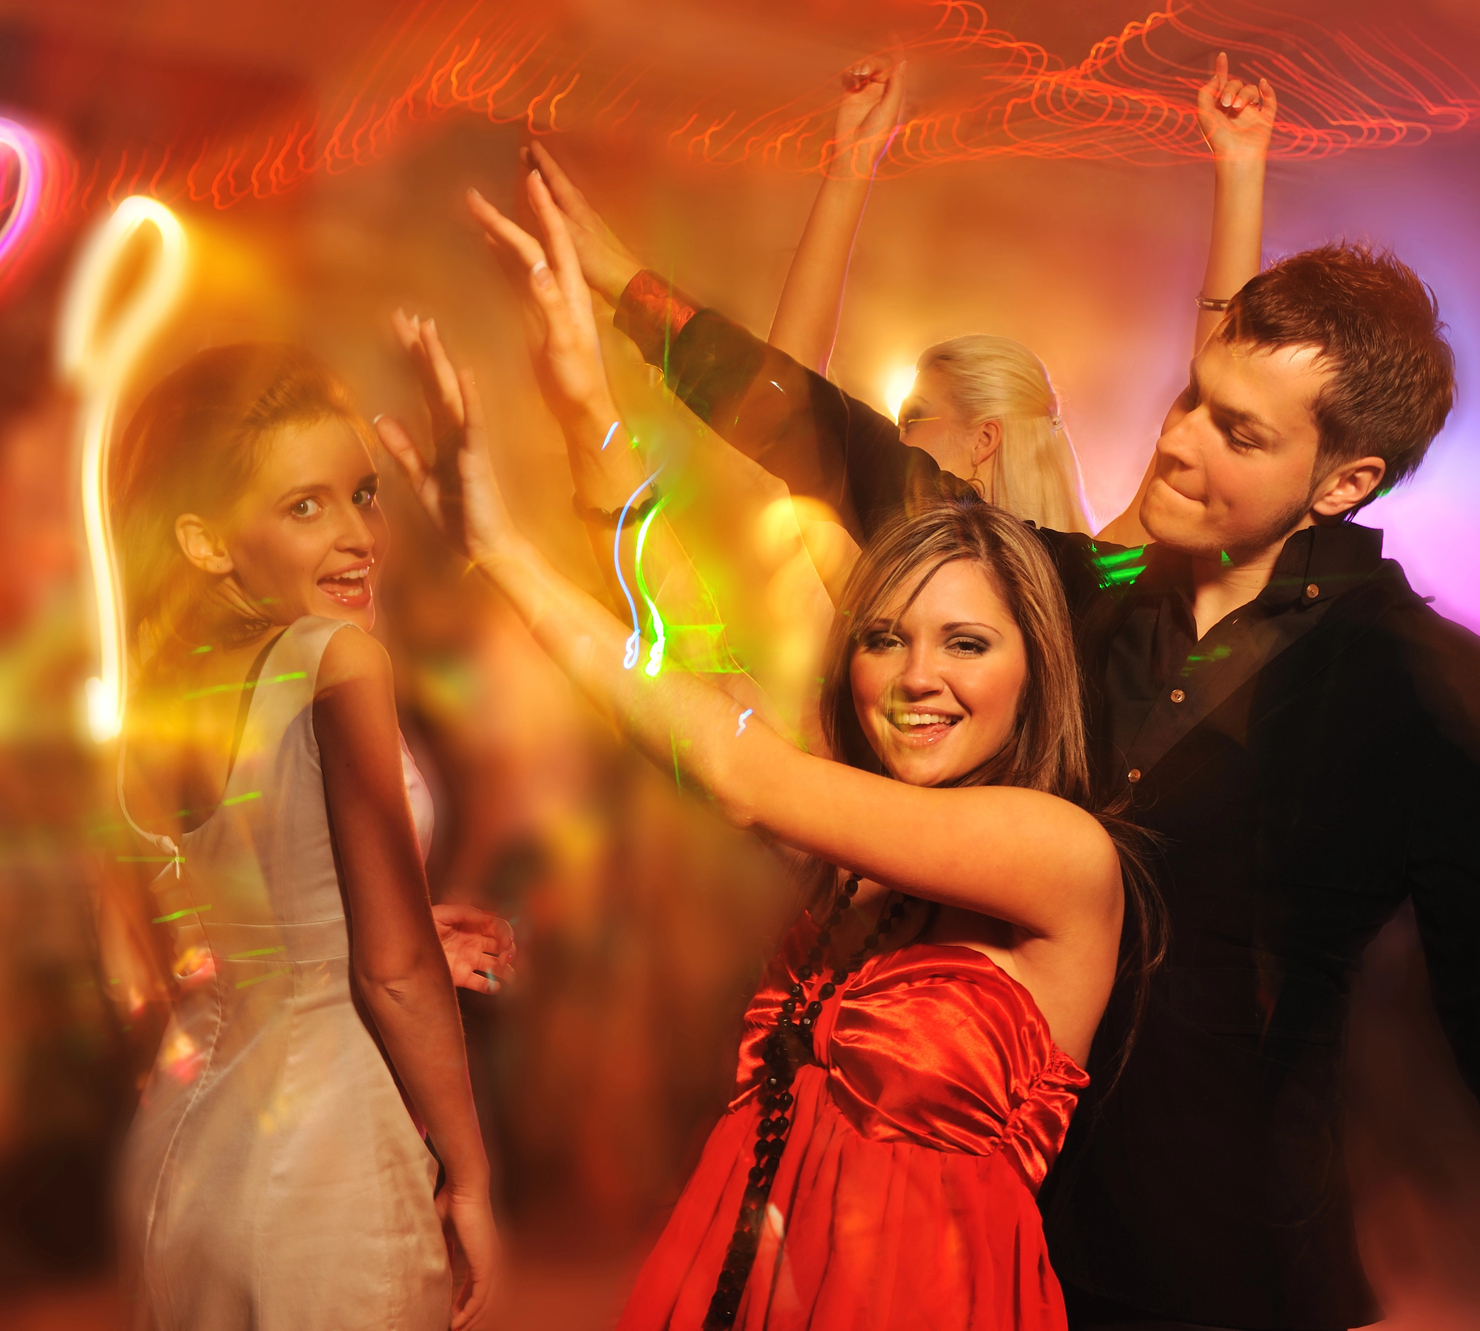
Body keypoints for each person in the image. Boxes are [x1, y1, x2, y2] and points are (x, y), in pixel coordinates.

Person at [528, 143, 1480, 1331]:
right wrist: (636, 301)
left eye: (1240, 434)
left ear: (1343, 478)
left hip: (1218, 1266)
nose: (1176, 444)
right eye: (1192, 401)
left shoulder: (1414, 687)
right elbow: (863, 458)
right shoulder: (1095, 590)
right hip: (997, 1213)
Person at [379, 182, 1164, 1330]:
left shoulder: (1058, 853)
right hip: (746, 1279)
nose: (914, 677)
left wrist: (505, 547)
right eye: (884, 638)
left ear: (1034, 667)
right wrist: (579, 412)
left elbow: (735, 763)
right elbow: (681, 646)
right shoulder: (851, 818)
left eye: (965, 643)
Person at [109, 345, 498, 1329]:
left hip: (183, 1157)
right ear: (203, 541)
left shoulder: (149, 703)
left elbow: (163, 968)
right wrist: (470, 1174)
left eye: (362, 493)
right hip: (331, 1155)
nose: (360, 534)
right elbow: (392, 971)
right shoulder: (336, 660)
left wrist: (362, 938)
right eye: (304, 505)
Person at [522, 51, 1275, 540]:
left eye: (914, 416)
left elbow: (1210, 402)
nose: (890, 430)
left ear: (984, 441)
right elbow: (787, 390)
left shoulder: (1080, 578)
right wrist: (850, 161)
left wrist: (1241, 170)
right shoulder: (893, 549)